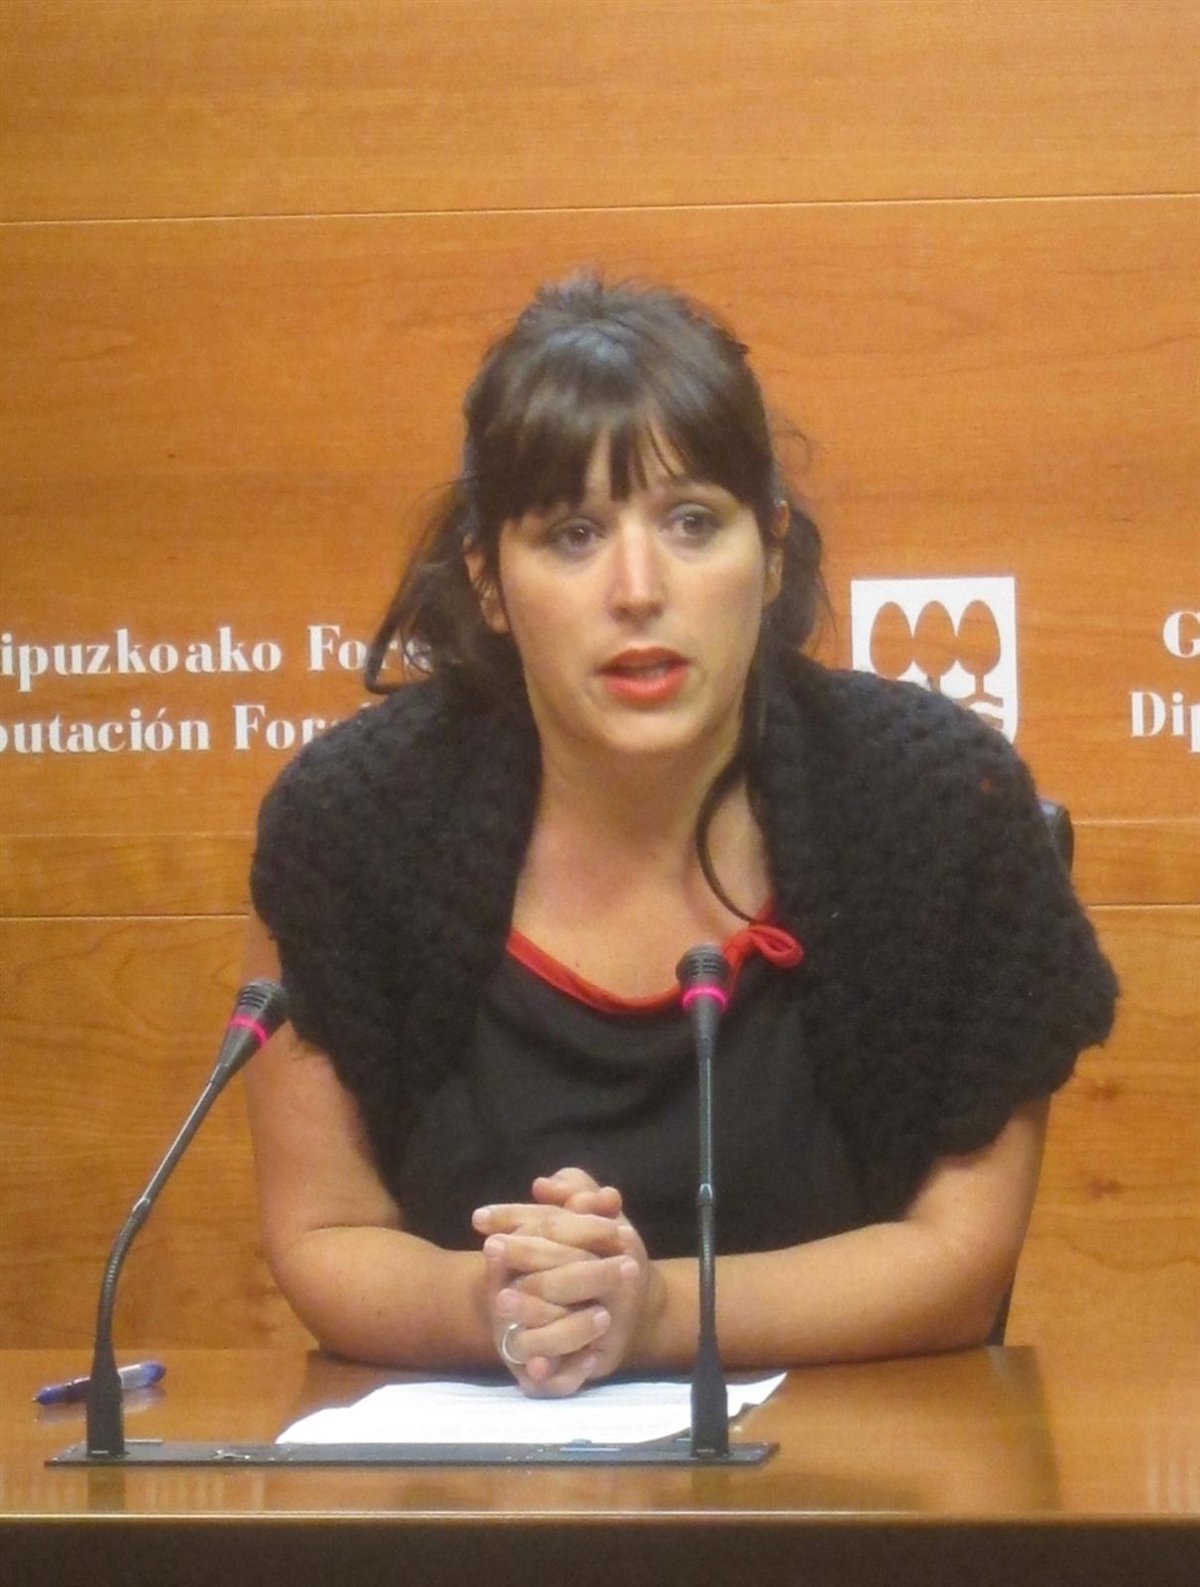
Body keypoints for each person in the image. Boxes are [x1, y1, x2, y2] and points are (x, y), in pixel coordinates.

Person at [244, 273, 1117, 1397]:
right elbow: (323, 1232)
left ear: (773, 548)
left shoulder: (936, 809)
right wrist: (497, 1305)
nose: (638, 588)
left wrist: (657, 1314)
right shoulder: (354, 824)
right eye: (572, 535)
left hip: (853, 1471)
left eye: (693, 522)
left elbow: (959, 1260)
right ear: (489, 583)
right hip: (477, 1482)